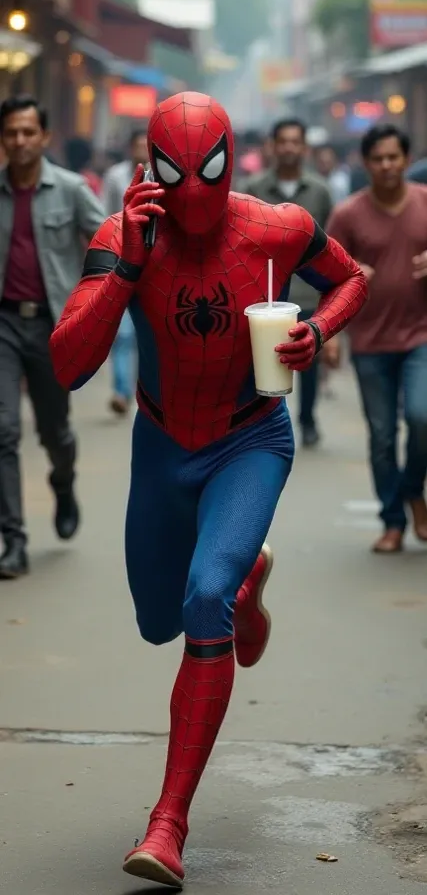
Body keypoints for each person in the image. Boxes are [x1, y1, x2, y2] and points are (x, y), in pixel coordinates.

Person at [50, 91, 366, 887]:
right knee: (159, 619)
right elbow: (67, 364)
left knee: (200, 603)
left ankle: (168, 823)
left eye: (209, 172)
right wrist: (126, 262)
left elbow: (349, 280)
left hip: (249, 436)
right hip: (161, 444)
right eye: (174, 174)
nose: (192, 192)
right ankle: (245, 585)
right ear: (149, 168)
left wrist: (316, 331)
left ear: (231, 162)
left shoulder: (279, 227)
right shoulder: (127, 234)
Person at [0, 94, 105, 579]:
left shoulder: (70, 188)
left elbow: (110, 239)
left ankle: (63, 481)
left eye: (27, 132)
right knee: (3, 432)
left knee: (53, 431)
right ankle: (14, 541)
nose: (19, 141)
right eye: (11, 133)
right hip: (3, 325)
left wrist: (99, 299)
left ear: (43, 137)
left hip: (51, 326)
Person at [326, 123, 427, 554]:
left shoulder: (425, 203)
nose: (387, 165)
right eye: (378, 158)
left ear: (406, 159)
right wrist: (329, 331)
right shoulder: (348, 214)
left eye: (394, 157)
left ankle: (410, 491)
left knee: (423, 417)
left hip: (421, 334)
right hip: (369, 341)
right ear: (366, 164)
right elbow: (326, 273)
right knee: (382, 435)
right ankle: (392, 521)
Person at [242, 118, 333, 447]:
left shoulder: (320, 191)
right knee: (264, 359)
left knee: (308, 358)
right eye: (283, 141)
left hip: (309, 293)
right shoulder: (252, 188)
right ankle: (262, 421)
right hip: (264, 294)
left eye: (296, 141)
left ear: (304, 147)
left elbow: (330, 247)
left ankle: (307, 417)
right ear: (273, 146)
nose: (289, 147)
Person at [103, 130, 149, 415]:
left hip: (155, 267)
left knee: (146, 333)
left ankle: (145, 391)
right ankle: (121, 391)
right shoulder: (114, 177)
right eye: (138, 146)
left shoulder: (164, 178)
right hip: (120, 262)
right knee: (122, 334)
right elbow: (103, 216)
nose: (142, 150)